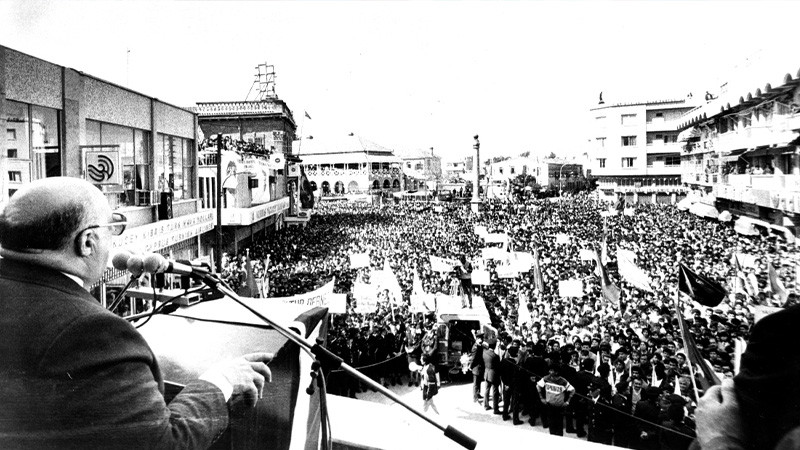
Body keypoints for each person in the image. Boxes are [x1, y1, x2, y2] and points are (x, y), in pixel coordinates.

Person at [0, 177, 274, 449]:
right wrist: (221, 381)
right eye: (112, 228)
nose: (114, 241)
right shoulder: (91, 332)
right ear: (86, 243)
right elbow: (161, 444)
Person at [537, 362, 575, 436]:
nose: (550, 372)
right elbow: (538, 386)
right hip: (549, 405)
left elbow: (572, 390)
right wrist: (541, 398)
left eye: (552, 370)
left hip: (559, 407)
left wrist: (567, 402)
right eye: (549, 370)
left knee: (559, 425)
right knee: (551, 424)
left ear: (557, 372)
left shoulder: (563, 381)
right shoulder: (546, 378)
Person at [483, 338, 502, 414]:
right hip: (494, 375)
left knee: (486, 390)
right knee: (495, 392)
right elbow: (498, 367)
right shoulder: (495, 356)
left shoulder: (484, 353)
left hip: (486, 373)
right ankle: (495, 409)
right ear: (494, 346)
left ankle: (486, 405)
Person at [469, 330, 485, 403]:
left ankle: (478, 394)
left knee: (478, 382)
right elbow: (473, 358)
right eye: (480, 339)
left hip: (480, 367)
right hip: (476, 367)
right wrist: (470, 366)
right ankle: (475, 397)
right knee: (475, 383)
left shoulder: (479, 346)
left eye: (482, 338)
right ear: (477, 339)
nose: (481, 340)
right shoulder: (475, 347)